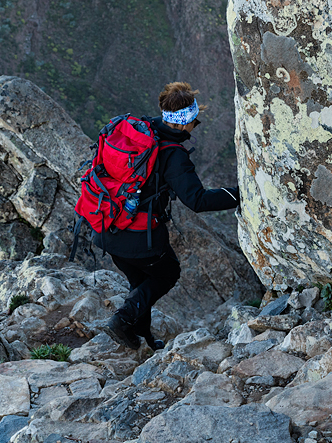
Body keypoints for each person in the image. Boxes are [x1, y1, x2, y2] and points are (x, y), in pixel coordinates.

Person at [96, 82, 240, 350]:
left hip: (107, 226)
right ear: (183, 123)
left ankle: (144, 339)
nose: (195, 125)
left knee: (140, 283)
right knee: (167, 273)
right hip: (137, 236)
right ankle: (121, 320)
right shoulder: (173, 156)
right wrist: (240, 194)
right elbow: (197, 200)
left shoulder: (144, 131)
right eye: (194, 121)